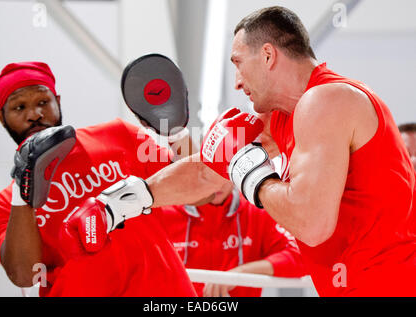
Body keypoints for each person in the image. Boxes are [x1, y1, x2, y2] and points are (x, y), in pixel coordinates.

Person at [98, 7, 415, 296]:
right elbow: (209, 172)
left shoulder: (327, 101)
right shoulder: (283, 117)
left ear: (267, 56)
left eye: (237, 63)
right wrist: (126, 199)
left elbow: (312, 225)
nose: (236, 82)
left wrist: (252, 175)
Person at [0, 61, 197, 297]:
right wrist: (23, 186)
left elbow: (201, 191)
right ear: (1, 117)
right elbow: (24, 275)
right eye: (19, 107)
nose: (34, 114)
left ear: (58, 101)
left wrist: (176, 132)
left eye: (43, 102)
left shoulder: (118, 135)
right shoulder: (2, 206)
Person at [158, 180, 306, 297]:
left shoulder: (256, 212)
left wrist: (239, 274)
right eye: (207, 174)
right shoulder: (164, 214)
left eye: (221, 172)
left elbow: (301, 258)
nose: (216, 183)